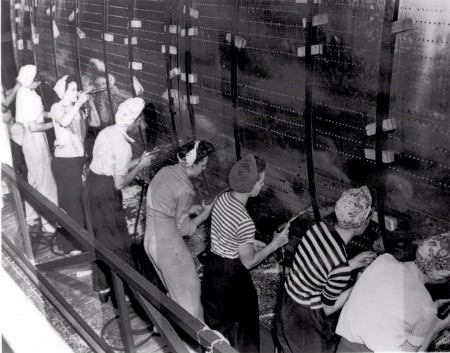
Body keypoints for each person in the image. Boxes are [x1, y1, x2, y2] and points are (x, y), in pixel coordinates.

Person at [201, 154, 289, 353]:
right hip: (232, 279)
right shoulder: (244, 220)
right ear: (250, 186)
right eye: (261, 182)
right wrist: (274, 245)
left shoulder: (223, 198)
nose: (263, 186)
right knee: (244, 335)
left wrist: (250, 242)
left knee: (217, 330)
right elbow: (248, 262)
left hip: (212, 269)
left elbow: (226, 233)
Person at [275, 186, 377, 353]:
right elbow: (326, 309)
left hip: (287, 301)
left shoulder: (318, 228)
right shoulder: (340, 266)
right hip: (305, 318)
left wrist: (351, 263)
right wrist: (356, 286)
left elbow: (317, 266)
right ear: (362, 222)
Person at [85, 97, 153, 302]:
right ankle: (135, 295)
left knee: (98, 239)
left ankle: (103, 286)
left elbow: (113, 166)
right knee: (118, 243)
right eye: (141, 121)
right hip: (106, 193)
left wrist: (138, 162)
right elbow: (119, 183)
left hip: (91, 186)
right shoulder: (124, 146)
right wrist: (141, 166)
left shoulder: (107, 132)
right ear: (133, 120)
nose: (142, 124)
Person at [336, 232, 450, 352]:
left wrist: (427, 313)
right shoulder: (425, 306)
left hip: (344, 347)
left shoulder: (383, 260)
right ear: (443, 276)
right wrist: (434, 329)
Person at [144, 140, 215, 321]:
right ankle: (193, 345)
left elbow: (165, 205)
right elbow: (185, 229)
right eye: (203, 165)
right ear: (192, 164)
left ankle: (171, 334)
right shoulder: (186, 190)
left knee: (175, 293)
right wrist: (204, 215)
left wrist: (190, 209)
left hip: (150, 240)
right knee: (191, 296)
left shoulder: (165, 171)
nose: (204, 169)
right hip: (168, 246)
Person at [15, 65, 58, 236]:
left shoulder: (27, 92)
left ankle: (31, 217)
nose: (39, 82)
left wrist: (53, 114)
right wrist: (56, 123)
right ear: (29, 80)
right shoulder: (26, 96)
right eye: (36, 80)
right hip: (34, 139)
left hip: (32, 139)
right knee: (45, 181)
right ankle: (49, 222)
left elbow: (39, 113)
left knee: (33, 179)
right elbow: (34, 126)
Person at [50, 75, 90, 255]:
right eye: (72, 89)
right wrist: (79, 104)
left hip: (76, 160)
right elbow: (64, 122)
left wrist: (88, 105)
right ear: (63, 92)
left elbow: (89, 127)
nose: (76, 93)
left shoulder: (76, 109)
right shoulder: (56, 107)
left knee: (79, 203)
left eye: (77, 89)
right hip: (64, 162)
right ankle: (69, 245)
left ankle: (79, 242)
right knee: (69, 203)